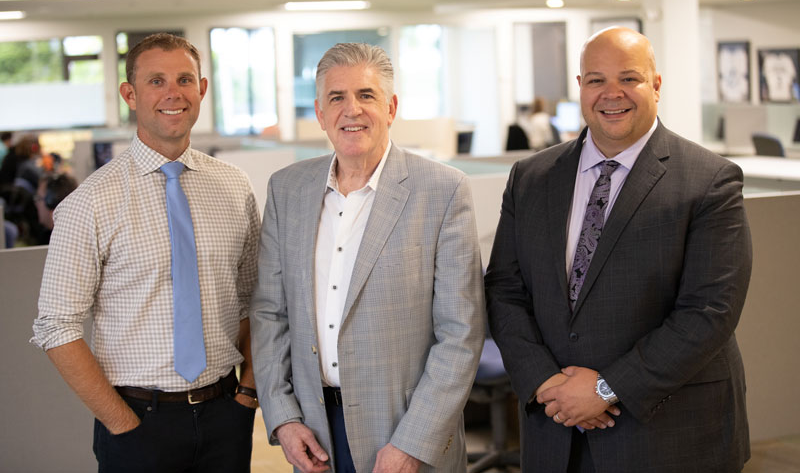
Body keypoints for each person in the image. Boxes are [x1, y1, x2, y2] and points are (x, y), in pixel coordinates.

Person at [485, 27, 752, 472]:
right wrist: (545, 382)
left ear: (656, 85)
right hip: (555, 430)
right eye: (596, 80)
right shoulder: (531, 178)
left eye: (629, 78)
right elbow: (504, 289)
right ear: (580, 87)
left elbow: (710, 312)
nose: (612, 94)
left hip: (667, 435)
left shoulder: (709, 181)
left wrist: (607, 389)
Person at [32, 33, 262, 472]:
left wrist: (247, 395)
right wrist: (122, 422)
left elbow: (256, 301)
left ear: (202, 90)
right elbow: (55, 326)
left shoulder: (234, 187)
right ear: (130, 95)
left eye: (184, 79)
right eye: (156, 81)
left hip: (225, 414)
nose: (173, 93)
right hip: (138, 421)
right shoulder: (91, 201)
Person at [250, 42, 484, 473]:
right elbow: (269, 314)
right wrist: (283, 418)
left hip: (405, 434)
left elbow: (461, 333)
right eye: (336, 98)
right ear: (320, 114)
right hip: (315, 431)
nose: (351, 110)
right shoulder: (287, 189)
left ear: (391, 107)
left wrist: (414, 443)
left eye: (366, 95)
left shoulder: (442, 189)